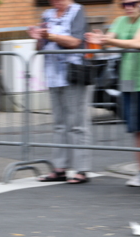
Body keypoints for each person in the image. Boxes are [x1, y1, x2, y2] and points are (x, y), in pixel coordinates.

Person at [87, 0, 140, 187]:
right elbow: (108, 41)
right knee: (135, 130)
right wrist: (100, 40)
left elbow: (137, 42)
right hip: (127, 79)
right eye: (124, 4)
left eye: (132, 3)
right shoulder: (120, 21)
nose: (128, 7)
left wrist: (109, 41)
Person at [29, 0, 91, 184]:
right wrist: (38, 38)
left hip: (73, 71)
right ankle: (60, 168)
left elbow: (76, 41)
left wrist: (51, 36)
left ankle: (81, 169)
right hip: (53, 74)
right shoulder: (47, 14)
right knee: (59, 123)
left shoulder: (77, 10)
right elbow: (40, 47)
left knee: (77, 123)